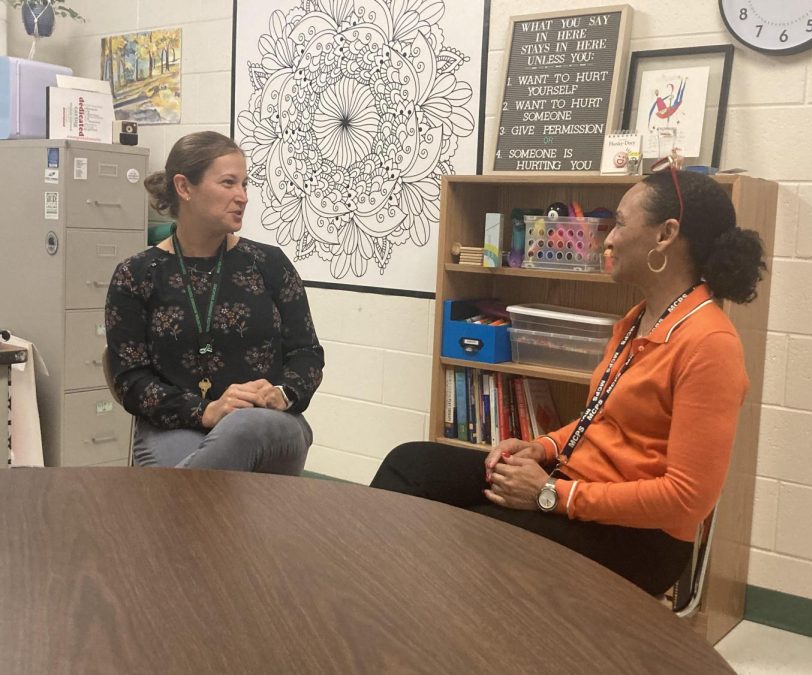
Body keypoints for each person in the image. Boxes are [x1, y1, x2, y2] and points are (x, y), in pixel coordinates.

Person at [370, 166, 765, 596]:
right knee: (410, 465)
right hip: (571, 485)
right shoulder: (639, 319)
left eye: (619, 224)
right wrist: (541, 448)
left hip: (638, 538)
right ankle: (372, 600)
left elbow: (688, 499)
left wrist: (552, 496)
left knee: (473, 536)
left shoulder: (710, 343)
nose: (606, 239)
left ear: (665, 235)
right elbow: (603, 421)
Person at [105, 131, 324, 474]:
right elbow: (130, 379)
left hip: (269, 422)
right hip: (175, 423)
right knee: (197, 471)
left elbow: (307, 353)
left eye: (245, 184)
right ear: (184, 187)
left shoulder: (269, 265)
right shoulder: (136, 275)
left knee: (242, 427)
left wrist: (282, 393)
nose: (242, 197)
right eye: (228, 183)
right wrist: (206, 411)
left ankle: (155, 515)